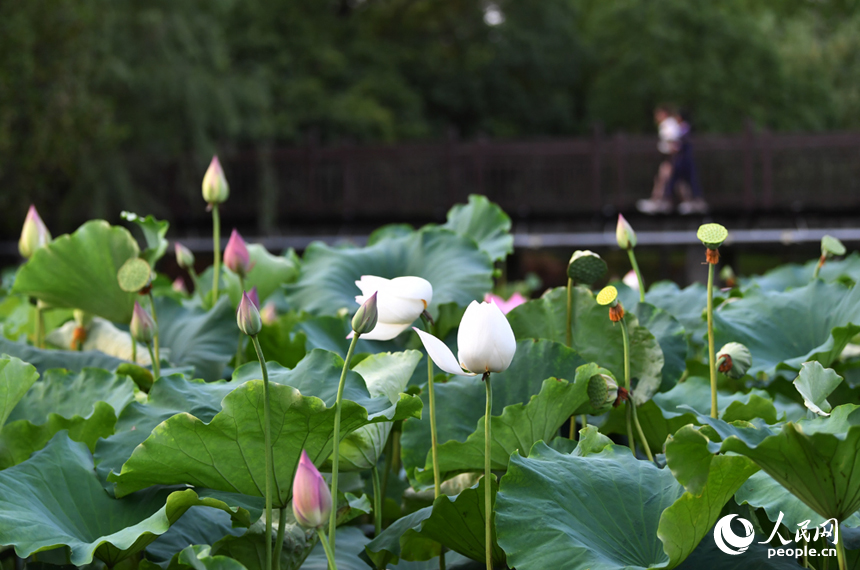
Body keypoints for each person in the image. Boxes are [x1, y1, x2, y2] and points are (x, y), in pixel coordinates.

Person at [637, 106, 708, 215]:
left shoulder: (678, 127)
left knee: (670, 179)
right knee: (674, 180)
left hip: (679, 159)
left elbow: (675, 143)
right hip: (678, 159)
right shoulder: (679, 127)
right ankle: (677, 201)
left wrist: (667, 147)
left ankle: (662, 201)